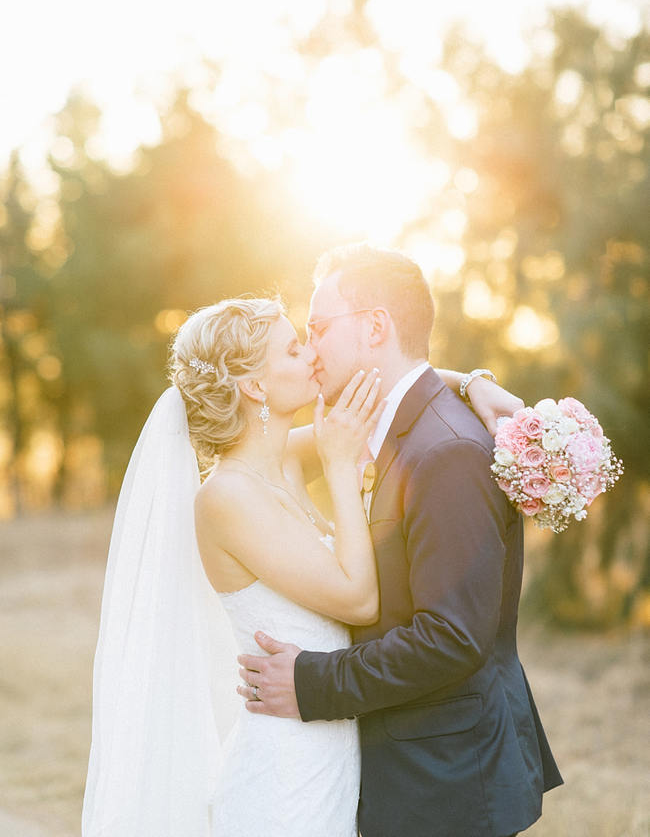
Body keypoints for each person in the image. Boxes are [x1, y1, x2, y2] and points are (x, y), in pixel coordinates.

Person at [82, 293, 522, 837]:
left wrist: (472, 382)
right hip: (285, 777)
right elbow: (358, 599)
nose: (313, 354)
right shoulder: (225, 498)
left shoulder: (285, 456)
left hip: (335, 754)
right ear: (256, 387)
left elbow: (392, 392)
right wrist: (340, 470)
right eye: (293, 349)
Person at [238, 245, 563, 837]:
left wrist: (313, 683)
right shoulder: (387, 428)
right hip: (415, 771)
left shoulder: (447, 453)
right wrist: (471, 380)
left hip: (448, 783)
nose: (311, 351)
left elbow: (451, 638)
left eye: (318, 329)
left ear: (375, 327)